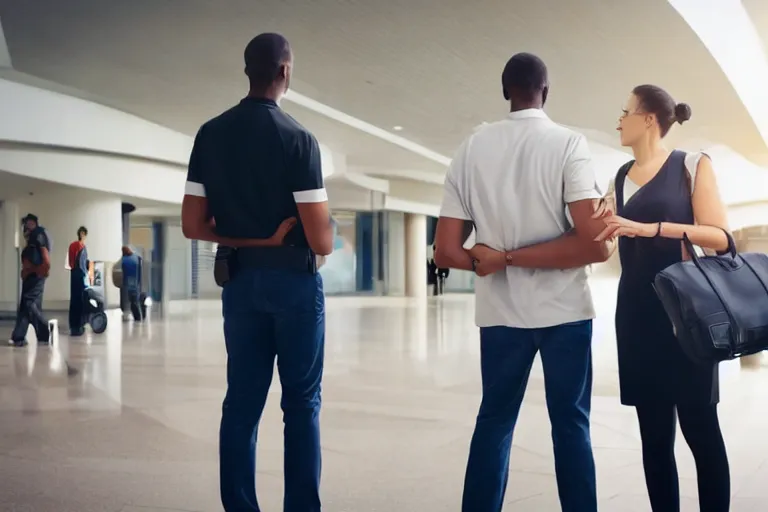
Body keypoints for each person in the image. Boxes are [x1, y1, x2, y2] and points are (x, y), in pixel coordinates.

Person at [434, 53, 612, 512]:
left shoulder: (470, 149)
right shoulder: (568, 144)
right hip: (565, 312)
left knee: (493, 422)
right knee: (571, 426)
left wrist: (500, 259)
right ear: (546, 91)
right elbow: (595, 246)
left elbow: (447, 251)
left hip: (500, 315)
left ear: (504, 91)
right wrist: (519, 256)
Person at [181, 33, 333, 512]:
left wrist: (252, 241)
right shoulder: (299, 139)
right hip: (294, 284)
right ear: (285, 72)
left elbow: (192, 225)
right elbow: (322, 240)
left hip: (240, 282)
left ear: (247, 71)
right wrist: (281, 237)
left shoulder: (210, 134)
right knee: (301, 406)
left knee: (242, 404)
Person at [592, 85, 731, 512]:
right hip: (636, 314)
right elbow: (609, 245)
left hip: (686, 315)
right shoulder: (619, 175)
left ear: (649, 118)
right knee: (653, 438)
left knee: (700, 428)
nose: (618, 120)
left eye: (625, 111)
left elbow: (721, 238)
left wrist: (652, 228)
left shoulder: (691, 164)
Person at [10, 214, 52, 347]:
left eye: (27, 223)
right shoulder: (33, 236)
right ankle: (19, 336)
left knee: (29, 304)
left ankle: (44, 330)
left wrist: (40, 271)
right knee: (25, 305)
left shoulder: (38, 235)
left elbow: (45, 257)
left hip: (35, 276)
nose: (25, 227)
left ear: (33, 222)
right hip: (32, 276)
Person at [67, 226, 92, 336]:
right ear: (82, 234)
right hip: (79, 274)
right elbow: (81, 262)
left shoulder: (72, 245)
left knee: (74, 299)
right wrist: (85, 273)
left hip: (74, 273)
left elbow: (71, 261)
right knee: (80, 300)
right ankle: (78, 326)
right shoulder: (79, 245)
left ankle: (74, 325)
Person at [118, 246, 144, 322]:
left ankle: (137, 317)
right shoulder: (136, 257)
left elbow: (123, 272)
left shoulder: (124, 260)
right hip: (136, 281)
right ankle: (138, 317)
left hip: (128, 282)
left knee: (132, 300)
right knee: (135, 300)